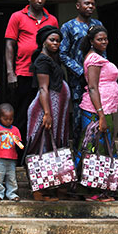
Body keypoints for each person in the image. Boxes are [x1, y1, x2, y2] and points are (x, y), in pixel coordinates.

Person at [5, 0, 59, 149]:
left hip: (44, 75)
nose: (40, 0)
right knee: (22, 115)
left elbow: (55, 47)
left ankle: (37, 153)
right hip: (23, 73)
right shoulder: (17, 17)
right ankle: (18, 152)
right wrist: (10, 72)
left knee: (43, 114)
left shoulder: (52, 19)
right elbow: (9, 45)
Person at [25, 25, 70, 201]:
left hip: (55, 110)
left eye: (58, 41)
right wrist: (47, 113)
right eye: (52, 40)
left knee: (52, 147)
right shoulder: (42, 61)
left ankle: (52, 186)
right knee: (41, 146)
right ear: (43, 41)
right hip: (46, 108)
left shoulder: (53, 58)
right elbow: (43, 89)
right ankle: (39, 191)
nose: (56, 43)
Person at [77, 25, 118, 202]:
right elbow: (93, 87)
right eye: (99, 39)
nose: (104, 42)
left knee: (103, 149)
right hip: (96, 112)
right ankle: (92, 191)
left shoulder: (99, 57)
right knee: (95, 149)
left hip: (105, 109)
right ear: (91, 41)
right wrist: (101, 115)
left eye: (105, 39)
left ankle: (102, 189)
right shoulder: (94, 59)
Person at [59, 0, 103, 150]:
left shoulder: (98, 24)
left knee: (98, 119)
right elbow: (62, 54)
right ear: (78, 6)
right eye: (86, 3)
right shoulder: (68, 27)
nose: (90, 6)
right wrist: (81, 71)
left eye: (92, 3)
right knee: (79, 122)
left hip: (97, 82)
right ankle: (79, 160)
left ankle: (95, 159)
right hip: (78, 83)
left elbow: (102, 51)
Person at [0, 103, 21, 202]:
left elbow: (20, 145)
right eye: (5, 119)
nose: (8, 121)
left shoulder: (15, 129)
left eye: (10, 119)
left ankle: (11, 193)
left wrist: (16, 140)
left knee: (11, 177)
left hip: (11, 158)